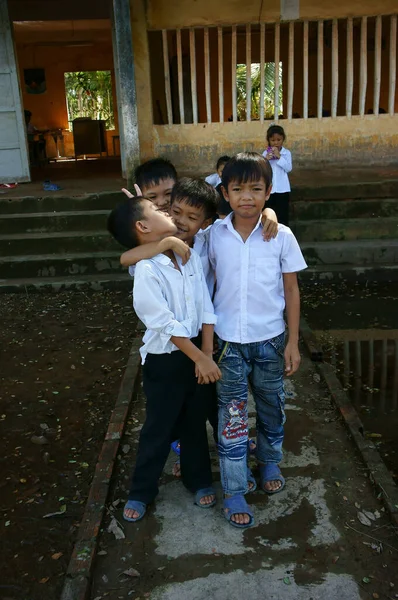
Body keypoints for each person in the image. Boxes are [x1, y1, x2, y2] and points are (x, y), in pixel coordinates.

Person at [120, 177, 279, 478]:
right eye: (174, 212)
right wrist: (164, 240)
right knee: (180, 405)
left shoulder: (208, 238)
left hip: (210, 332)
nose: (182, 222)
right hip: (177, 341)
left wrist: (269, 214)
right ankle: (186, 452)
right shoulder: (157, 249)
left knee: (215, 399)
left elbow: (240, 217)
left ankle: (235, 448)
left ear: (204, 222)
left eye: (192, 218)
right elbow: (125, 258)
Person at [107, 195, 221, 522]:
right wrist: (199, 356)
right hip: (165, 360)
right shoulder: (146, 268)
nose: (166, 211)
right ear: (143, 227)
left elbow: (206, 308)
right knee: (158, 427)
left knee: (194, 423)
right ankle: (142, 490)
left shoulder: (190, 258)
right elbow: (160, 321)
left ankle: (198, 480)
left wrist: (207, 354)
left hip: (198, 353)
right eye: (158, 210)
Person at [209, 152, 307, 529]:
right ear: (224, 192)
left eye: (256, 189)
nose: (246, 197)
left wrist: (293, 342)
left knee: (271, 406)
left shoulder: (280, 235)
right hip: (229, 344)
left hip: (270, 341)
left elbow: (292, 291)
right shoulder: (213, 235)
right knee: (232, 418)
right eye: (237, 189)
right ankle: (234, 488)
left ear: (269, 192)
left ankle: (269, 461)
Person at [262, 125, 292, 226]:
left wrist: (279, 157)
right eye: (273, 140)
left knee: (282, 215)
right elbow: (261, 170)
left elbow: (288, 168)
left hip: (282, 189)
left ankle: (283, 237)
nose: (276, 142)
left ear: (283, 139)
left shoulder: (286, 153)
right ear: (269, 140)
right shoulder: (265, 153)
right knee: (269, 213)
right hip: (269, 189)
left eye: (279, 140)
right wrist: (265, 160)